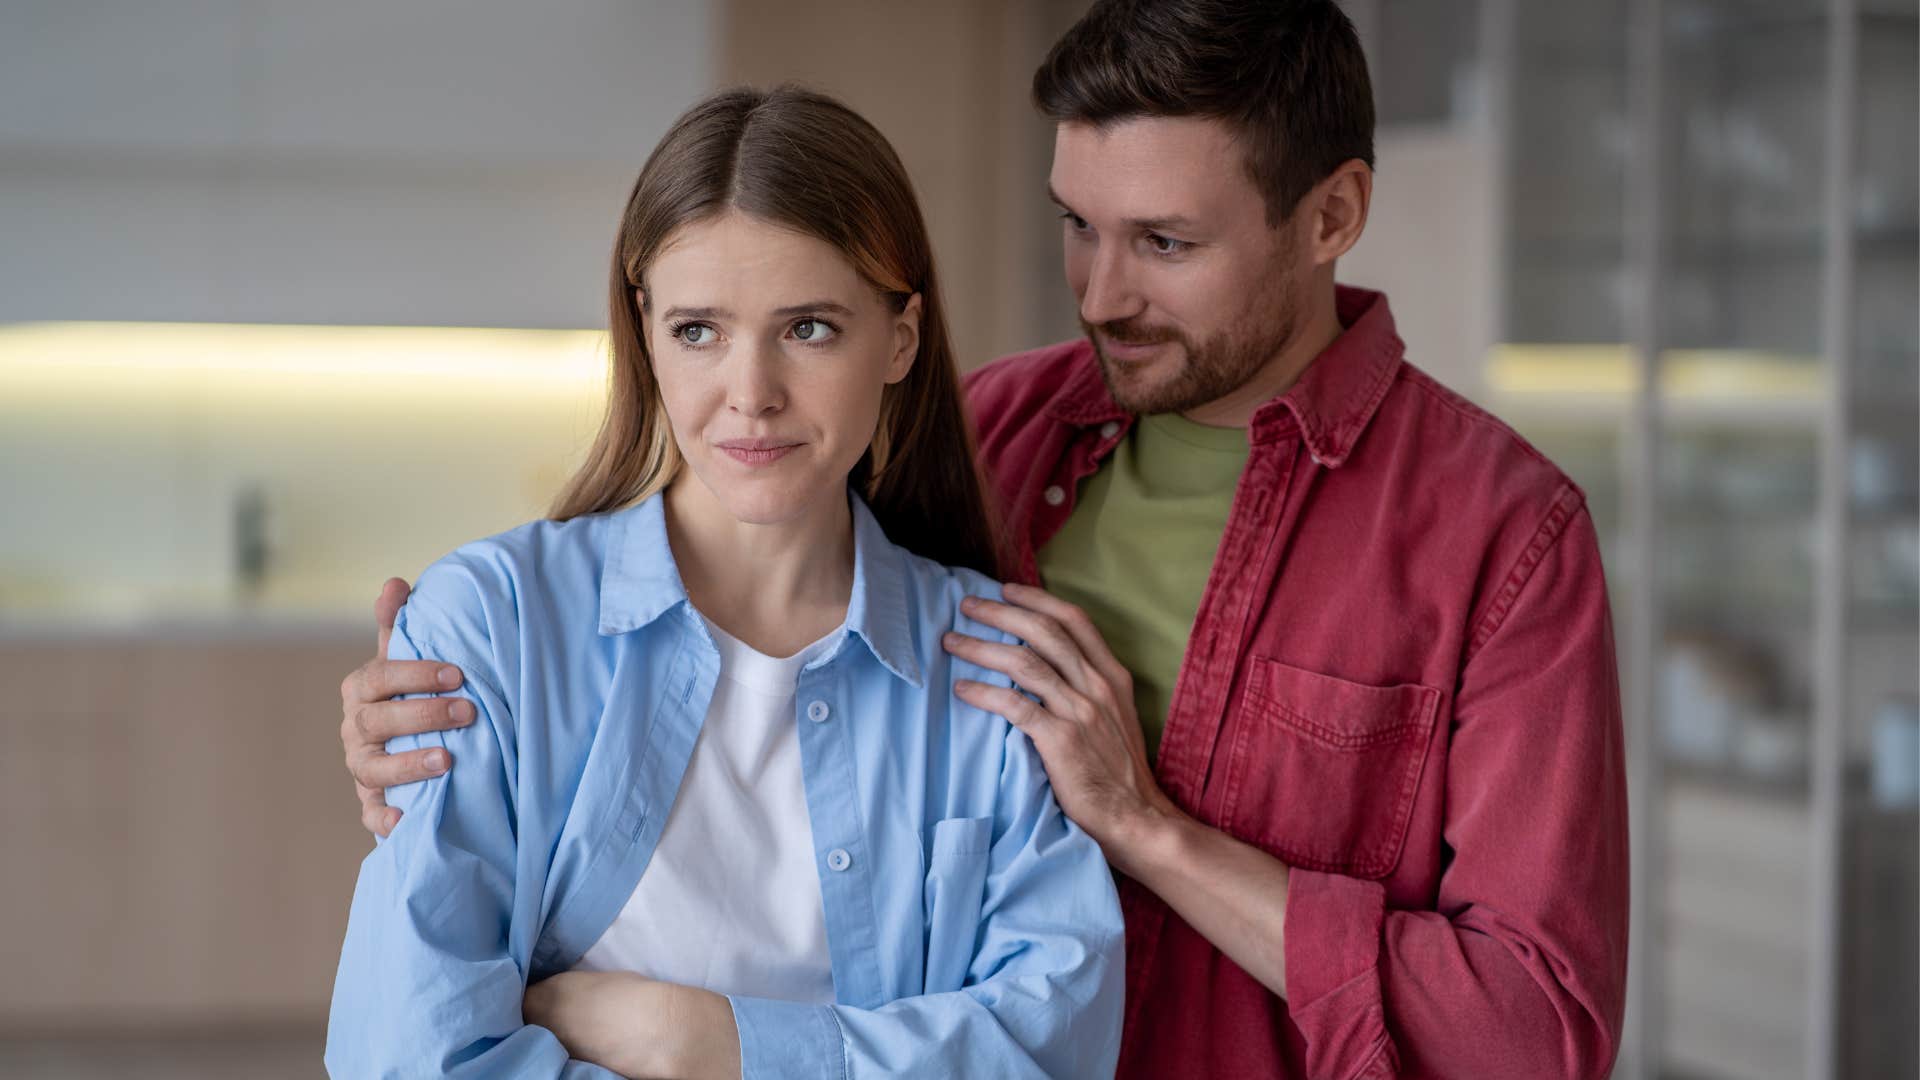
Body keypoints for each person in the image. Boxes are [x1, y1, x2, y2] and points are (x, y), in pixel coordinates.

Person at [339, 2, 1629, 1076]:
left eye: (1166, 243)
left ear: (1333, 215)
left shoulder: (1500, 539)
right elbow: (739, 600)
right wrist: (460, 719)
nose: (1102, 294)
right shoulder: (990, 433)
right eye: (1079, 225)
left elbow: (1534, 1032)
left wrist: (1148, 829)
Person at [323, 86, 1124, 1079]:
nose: (751, 394)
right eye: (699, 330)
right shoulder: (487, 627)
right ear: (645, 332)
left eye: (810, 328)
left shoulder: (1000, 665)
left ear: (901, 340)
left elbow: (1047, 1049)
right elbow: (414, 1055)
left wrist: (709, 1045)